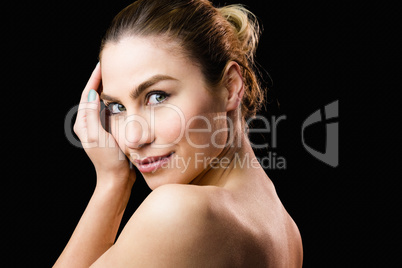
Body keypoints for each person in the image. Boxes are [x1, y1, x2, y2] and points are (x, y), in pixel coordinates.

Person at [54, 0, 303, 267]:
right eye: (116, 107)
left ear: (231, 87)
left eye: (157, 97)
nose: (132, 138)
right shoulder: (286, 230)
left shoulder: (177, 212)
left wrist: (111, 182)